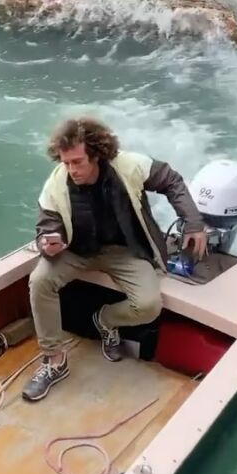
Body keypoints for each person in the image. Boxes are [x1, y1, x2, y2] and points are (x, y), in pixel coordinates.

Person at [22, 116, 207, 402]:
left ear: (96, 153)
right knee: (40, 281)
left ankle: (106, 320)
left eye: (78, 162)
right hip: (76, 250)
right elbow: (46, 224)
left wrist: (193, 223)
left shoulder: (129, 165)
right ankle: (54, 360)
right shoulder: (56, 183)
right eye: (65, 162)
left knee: (148, 305)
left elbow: (171, 179)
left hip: (125, 250)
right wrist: (48, 242)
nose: (71, 169)